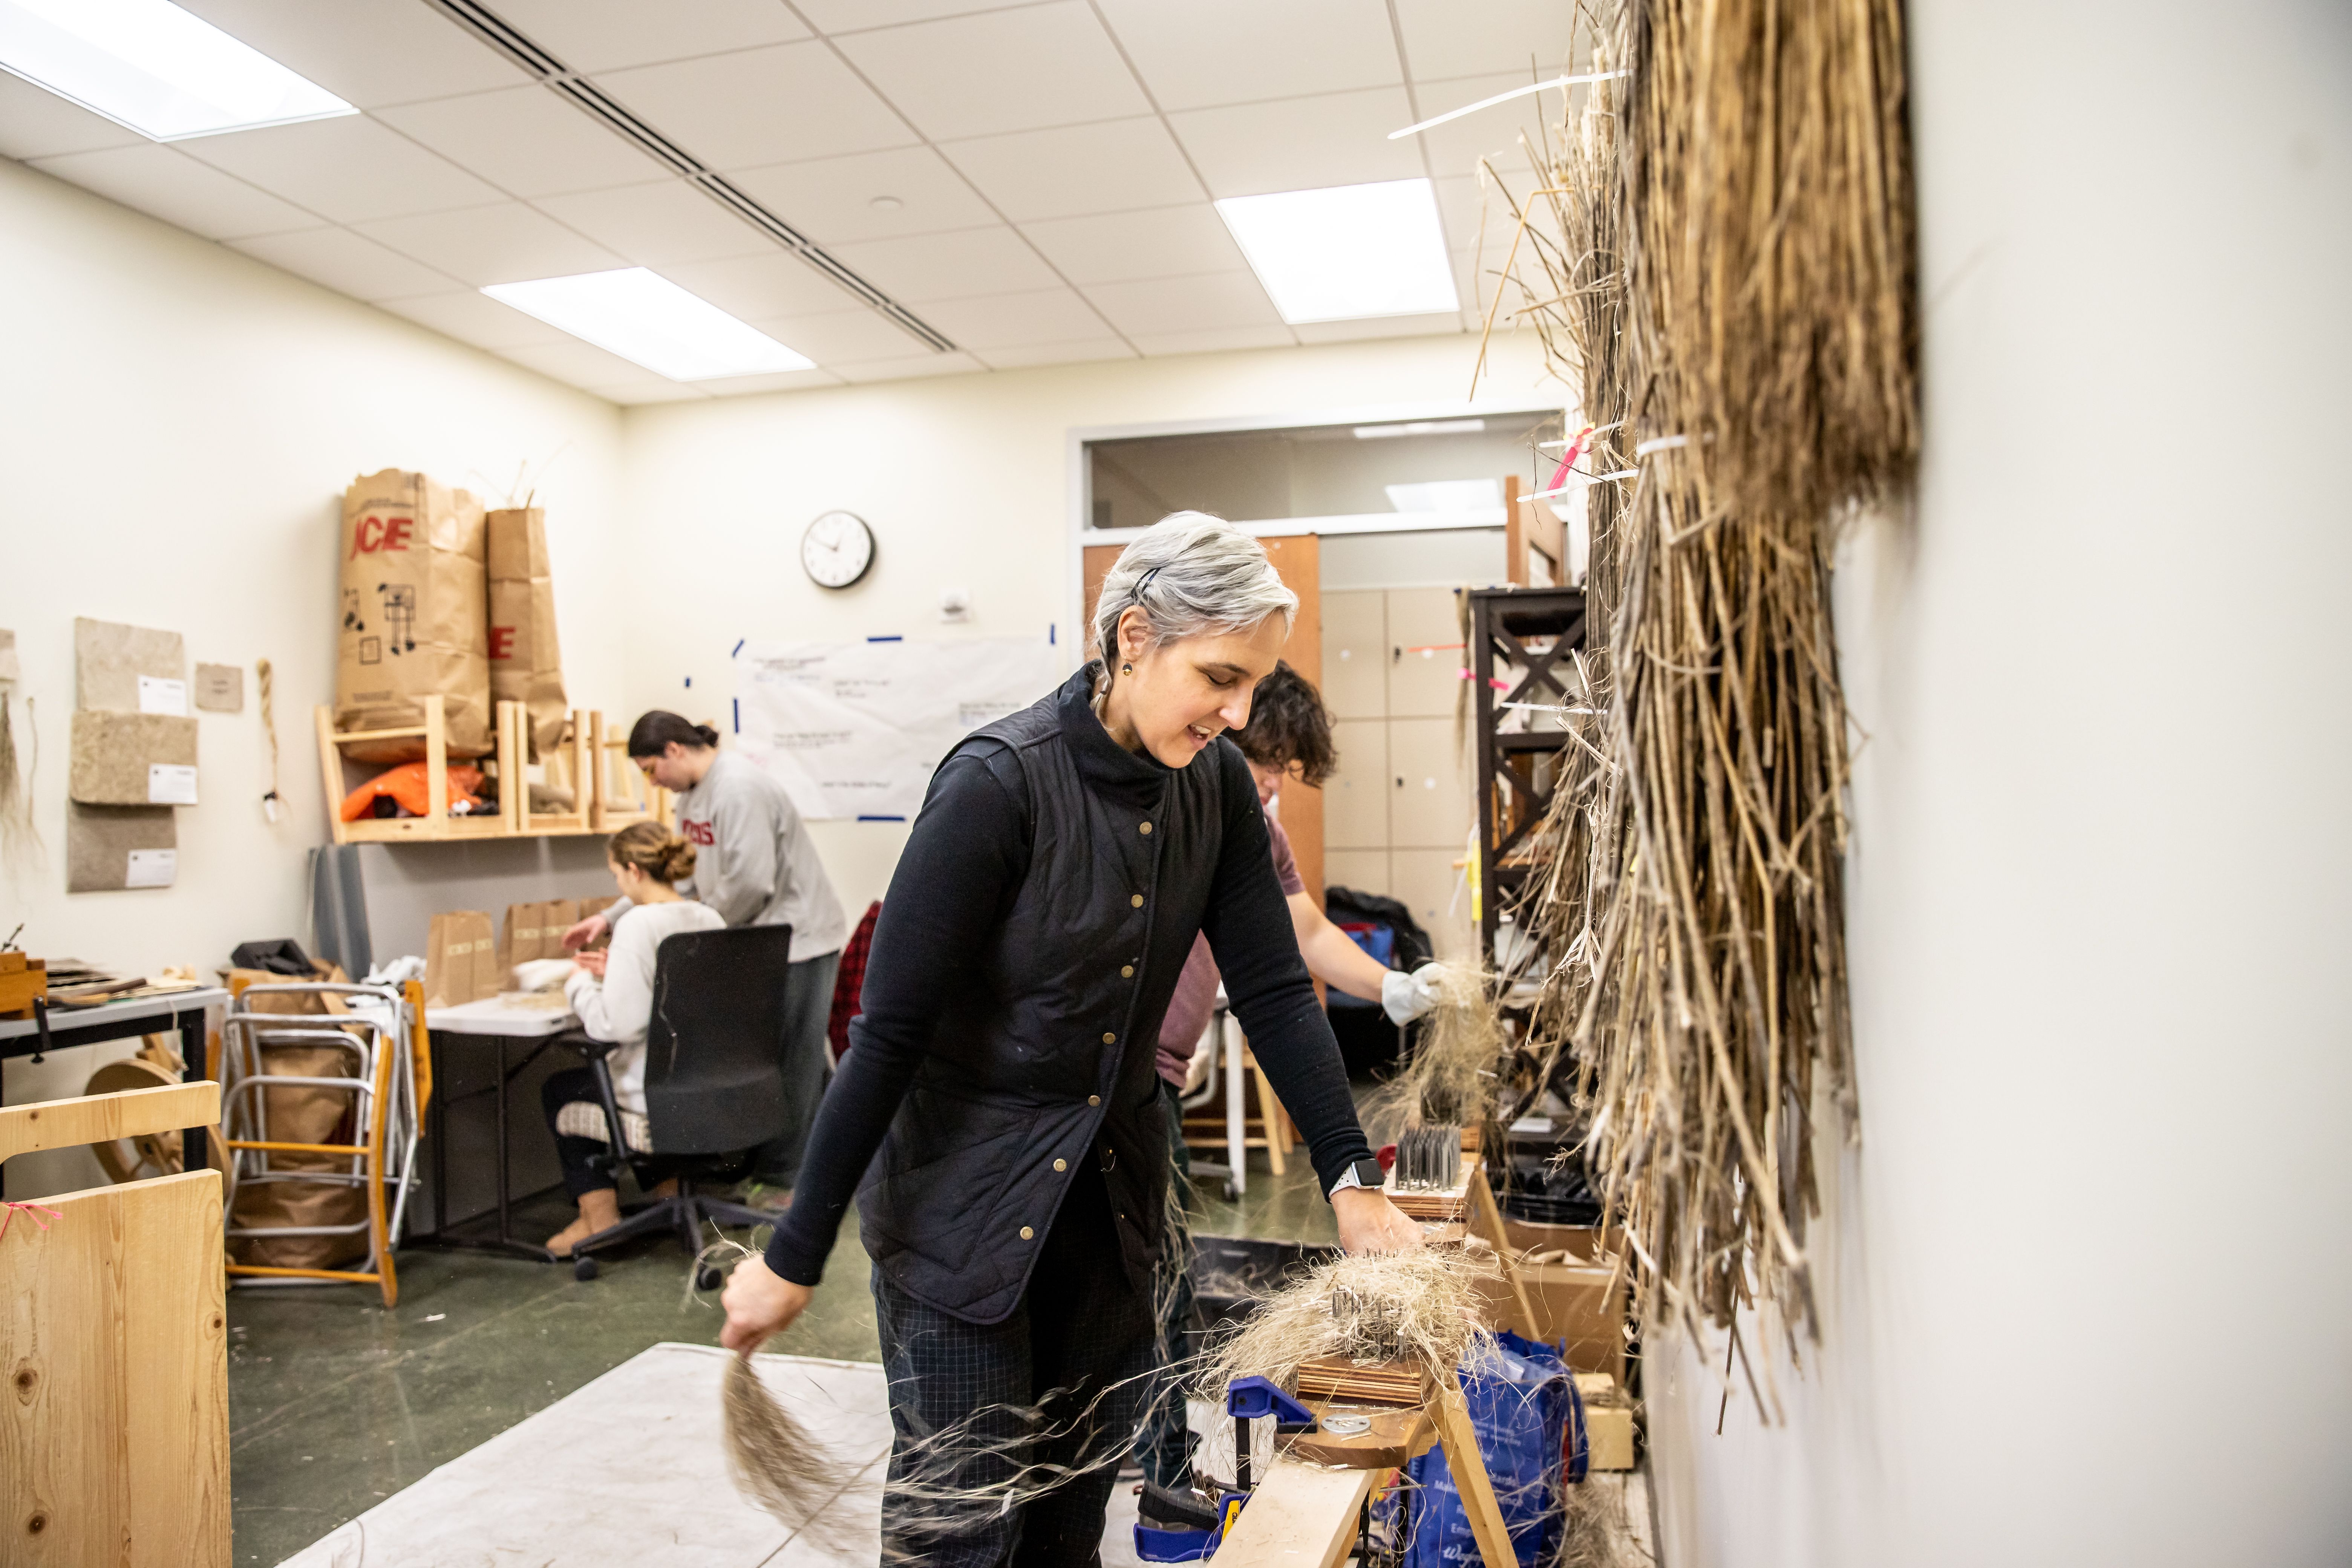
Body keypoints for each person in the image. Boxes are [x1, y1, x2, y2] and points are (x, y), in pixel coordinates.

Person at [720, 513, 1423, 1566]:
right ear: (1134, 636)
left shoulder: (1218, 789)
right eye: (1219, 676)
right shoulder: (998, 785)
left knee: (1068, 1511)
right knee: (961, 1522)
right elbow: (888, 1036)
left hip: (1107, 1204)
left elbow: (1274, 986)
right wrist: (794, 1252)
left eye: (1252, 683)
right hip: (963, 1208)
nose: (1237, 714)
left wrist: (1350, 1178)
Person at [1133, 660, 1446, 1494]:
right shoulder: (1164, 795)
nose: (1272, 785)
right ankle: (1160, 1471)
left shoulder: (1250, 825)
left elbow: (1301, 928)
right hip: (1118, 1079)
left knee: (1161, 1271)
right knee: (1150, 1277)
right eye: (1268, 763)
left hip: (1158, 1067)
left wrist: (1390, 986)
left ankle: (1155, 1457)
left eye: (1283, 774)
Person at [562, 713, 846, 1207]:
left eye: (651, 769)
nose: (653, 782)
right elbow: (676, 879)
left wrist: (695, 943)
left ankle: (789, 1183)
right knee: (758, 1061)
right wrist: (608, 919)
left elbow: (750, 885)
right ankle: (769, 1170)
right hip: (748, 941)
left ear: (675, 750)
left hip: (797, 940)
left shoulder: (737, 790)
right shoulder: (692, 796)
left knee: (790, 1063)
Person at [541, 822, 728, 1258]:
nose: (619, 884)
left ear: (633, 870)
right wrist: (621, 969)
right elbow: (682, 992)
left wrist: (579, 983)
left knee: (561, 1089)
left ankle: (601, 1217)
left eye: (616, 876)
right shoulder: (709, 916)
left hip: (656, 1093)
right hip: (711, 1082)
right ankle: (667, 1194)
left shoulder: (637, 923)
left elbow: (614, 1026)